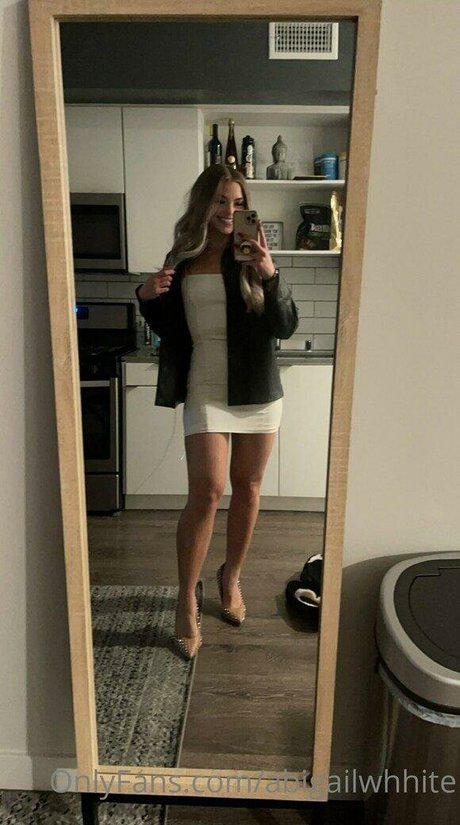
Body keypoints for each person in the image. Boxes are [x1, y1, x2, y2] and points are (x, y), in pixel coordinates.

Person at [136, 164, 298, 660]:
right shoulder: (183, 257)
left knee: (248, 486)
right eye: (221, 201)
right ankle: (186, 597)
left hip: (257, 388)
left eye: (238, 202)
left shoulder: (252, 255)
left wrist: (270, 274)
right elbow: (170, 326)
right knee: (207, 491)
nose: (229, 211)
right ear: (204, 204)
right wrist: (145, 296)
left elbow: (285, 326)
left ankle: (230, 575)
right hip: (205, 383)